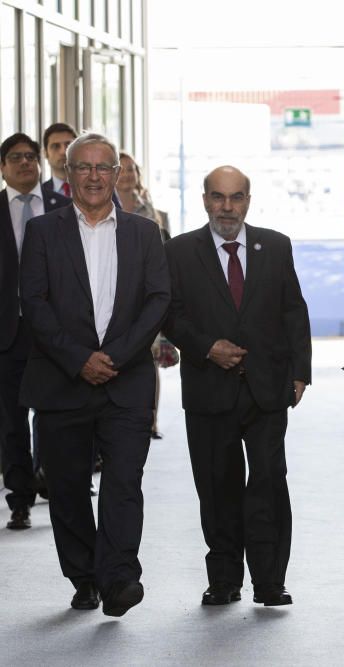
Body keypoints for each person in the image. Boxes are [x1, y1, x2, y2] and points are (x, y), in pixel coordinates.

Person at [19, 132, 169, 616]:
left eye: (103, 167)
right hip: (63, 380)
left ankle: (121, 576)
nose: (93, 176)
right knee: (67, 487)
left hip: (127, 382)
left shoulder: (144, 234)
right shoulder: (43, 233)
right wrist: (78, 358)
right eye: (83, 167)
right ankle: (84, 576)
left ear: (117, 174)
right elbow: (34, 304)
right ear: (68, 173)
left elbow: (157, 300)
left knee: (124, 480)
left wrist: (118, 357)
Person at [164, 165, 311, 607]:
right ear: (205, 199)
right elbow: (169, 314)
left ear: (248, 199)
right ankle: (224, 579)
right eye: (218, 197)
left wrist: (300, 372)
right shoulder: (178, 251)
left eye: (236, 197)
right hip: (209, 387)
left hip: (267, 387)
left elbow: (293, 311)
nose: (227, 207)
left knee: (268, 481)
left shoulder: (276, 245)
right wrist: (206, 347)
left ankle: (269, 581)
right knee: (217, 485)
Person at [0, 132, 71, 530]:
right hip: (8, 332)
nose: (26, 163)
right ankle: (20, 496)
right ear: (3, 166)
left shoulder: (62, 208)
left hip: (55, 332)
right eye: (16, 157)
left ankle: (53, 481)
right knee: (11, 419)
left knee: (54, 413)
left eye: (30, 156)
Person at [116, 151, 177, 439]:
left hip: (147, 297)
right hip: (116, 297)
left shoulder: (155, 214)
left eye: (132, 170)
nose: (127, 175)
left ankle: (149, 420)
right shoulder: (104, 209)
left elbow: (167, 258)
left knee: (149, 360)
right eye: (122, 169)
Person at [40, 123, 77, 199]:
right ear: (46, 153)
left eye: (68, 145)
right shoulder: (39, 194)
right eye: (55, 146)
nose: (63, 152)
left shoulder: (94, 188)